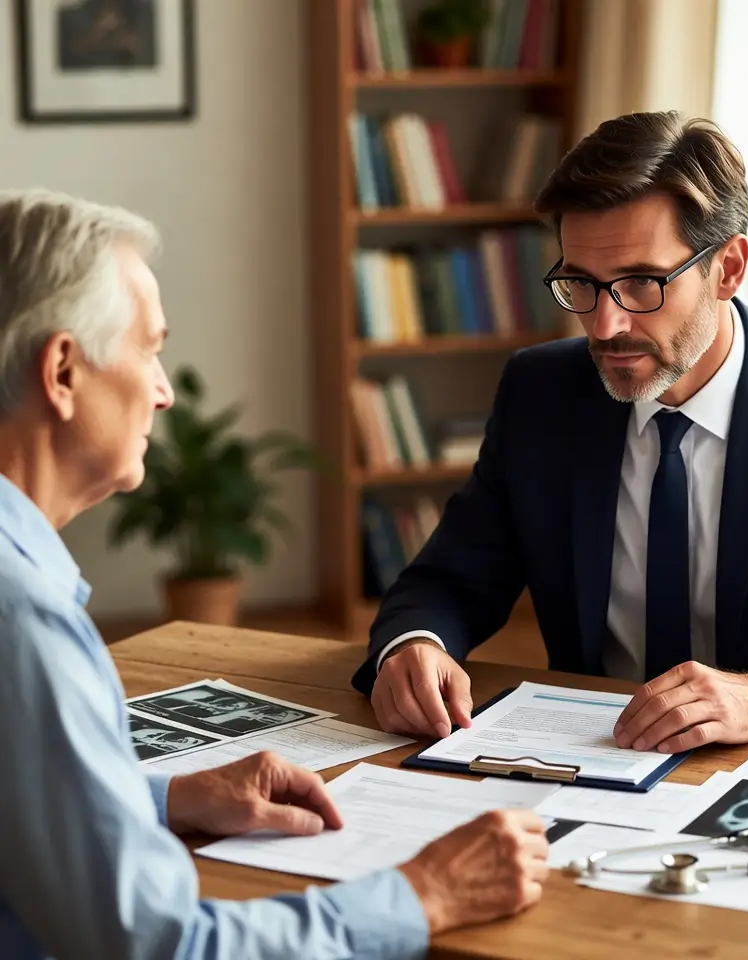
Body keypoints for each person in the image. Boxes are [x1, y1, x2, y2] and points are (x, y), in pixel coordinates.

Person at [0, 189, 548, 960]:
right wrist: (423, 895)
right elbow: (158, 946)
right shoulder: (23, 620)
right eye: (150, 349)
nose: (163, 390)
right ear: (62, 370)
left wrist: (171, 796)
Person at [353, 110, 748, 753]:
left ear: (727, 268)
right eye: (579, 283)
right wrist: (414, 644)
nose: (604, 325)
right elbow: (450, 578)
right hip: (587, 755)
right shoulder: (541, 392)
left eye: (641, 282)